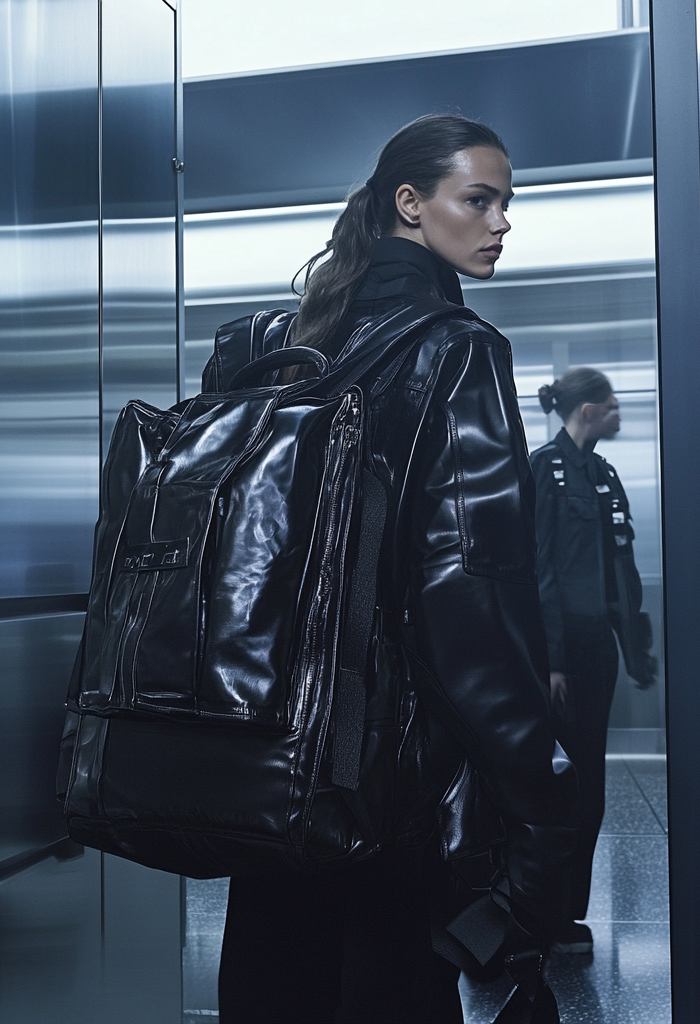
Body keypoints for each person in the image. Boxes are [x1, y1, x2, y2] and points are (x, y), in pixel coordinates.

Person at [216, 113, 574, 1023]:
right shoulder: (455, 351)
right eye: (480, 199)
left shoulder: (265, 344)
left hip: (262, 760)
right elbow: (473, 604)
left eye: (506, 204)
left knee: (273, 988)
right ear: (410, 206)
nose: (502, 224)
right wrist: (540, 807)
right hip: (386, 789)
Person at [531, 369, 657, 955]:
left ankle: (566, 915)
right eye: (610, 405)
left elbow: (620, 575)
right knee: (554, 784)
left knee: (592, 785)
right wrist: (552, 660)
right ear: (585, 412)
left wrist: (637, 651)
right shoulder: (544, 471)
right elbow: (540, 570)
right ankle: (537, 914)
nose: (617, 413)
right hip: (560, 654)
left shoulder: (604, 478)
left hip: (596, 649)